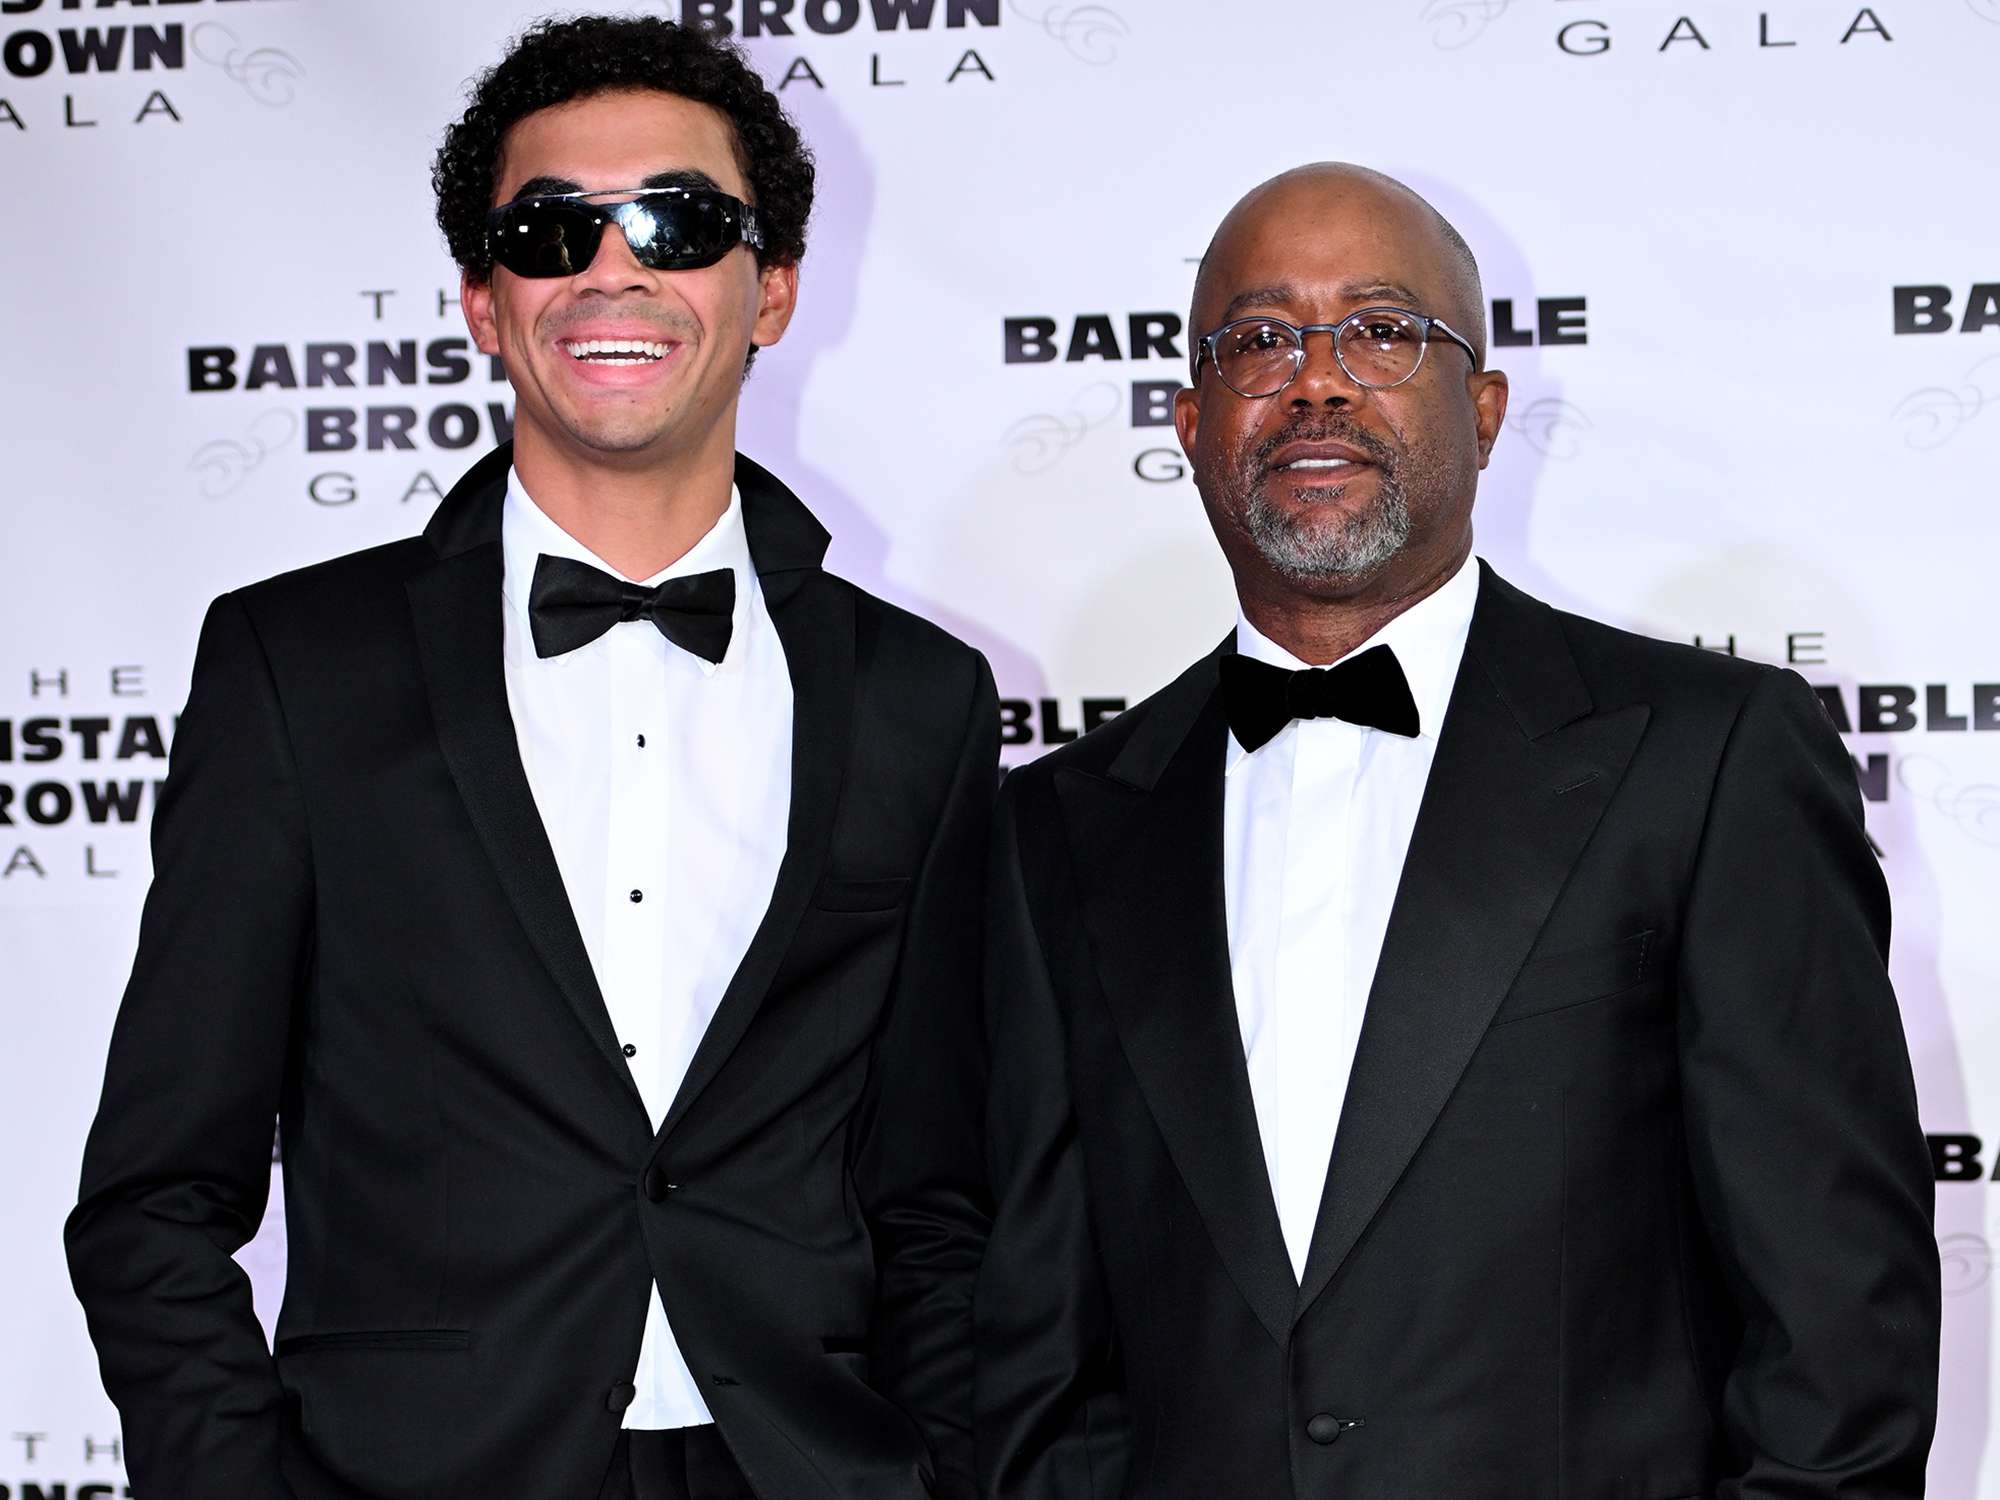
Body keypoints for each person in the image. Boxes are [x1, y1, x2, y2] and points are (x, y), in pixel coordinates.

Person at [66, 17, 995, 1499]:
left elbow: (940, 1198)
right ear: (487, 303)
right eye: (553, 231)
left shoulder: (918, 697)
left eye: (680, 225)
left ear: (773, 292)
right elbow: (154, 1198)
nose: (613, 269)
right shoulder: (297, 670)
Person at [974, 163, 1938, 1498]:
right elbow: (1031, 1345)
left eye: (1380, 329)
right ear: (1191, 423)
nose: (1316, 379)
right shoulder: (1057, 827)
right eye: (1259, 340)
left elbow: (1838, 1328)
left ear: (1483, 409)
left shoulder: (1709, 759)